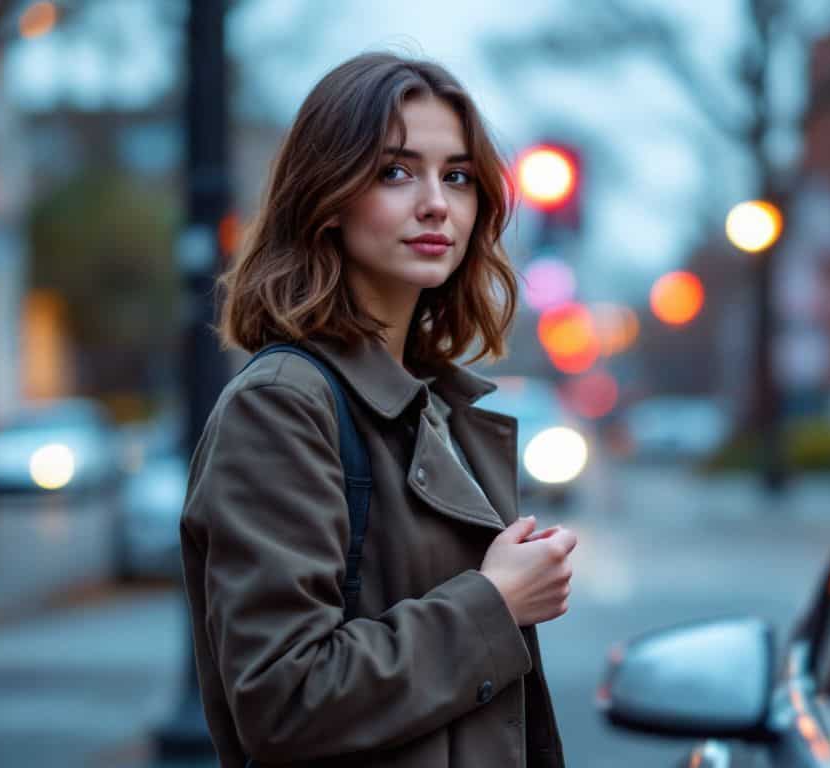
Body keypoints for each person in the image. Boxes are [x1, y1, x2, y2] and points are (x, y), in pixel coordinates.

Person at [179, 52, 576, 767]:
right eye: (396, 172)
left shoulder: (438, 408)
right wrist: (494, 604)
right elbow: (283, 697)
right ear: (326, 199)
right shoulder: (282, 406)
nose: (435, 203)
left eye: (456, 176)